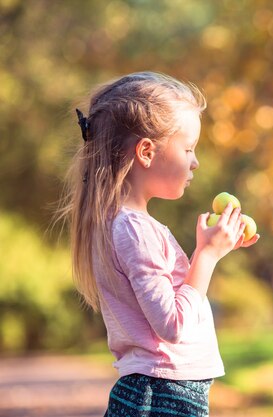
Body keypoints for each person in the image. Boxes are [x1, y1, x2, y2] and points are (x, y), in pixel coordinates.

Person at [56, 71, 259, 416]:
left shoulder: (119, 225)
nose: (195, 161)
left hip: (158, 390)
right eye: (188, 148)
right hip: (162, 394)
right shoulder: (134, 230)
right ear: (147, 151)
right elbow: (172, 325)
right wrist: (206, 255)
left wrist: (217, 248)